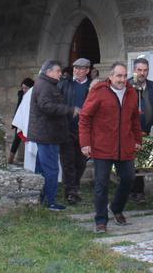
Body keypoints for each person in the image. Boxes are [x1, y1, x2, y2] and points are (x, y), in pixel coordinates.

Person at [79, 62, 142, 233]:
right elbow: (85, 117)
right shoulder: (99, 92)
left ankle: (116, 208)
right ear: (111, 76)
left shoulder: (131, 93)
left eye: (124, 76)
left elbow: (135, 119)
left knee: (129, 178)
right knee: (101, 183)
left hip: (125, 146)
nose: (122, 79)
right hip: (102, 146)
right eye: (118, 76)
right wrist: (85, 142)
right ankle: (101, 220)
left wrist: (137, 139)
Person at [28, 60, 78, 211]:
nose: (60, 74)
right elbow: (46, 106)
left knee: (42, 168)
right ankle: (50, 201)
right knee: (51, 169)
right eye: (57, 71)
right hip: (47, 135)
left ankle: (42, 197)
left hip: (46, 133)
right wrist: (69, 110)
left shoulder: (45, 84)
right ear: (49, 72)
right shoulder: (45, 85)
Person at [57, 57, 92, 204]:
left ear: (87, 70)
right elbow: (57, 104)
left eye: (81, 68)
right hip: (67, 128)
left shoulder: (93, 86)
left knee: (81, 162)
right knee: (68, 161)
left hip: (85, 131)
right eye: (75, 68)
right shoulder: (64, 85)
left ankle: (75, 186)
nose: (77, 71)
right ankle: (70, 191)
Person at [128, 57, 153, 203]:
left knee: (142, 161)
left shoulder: (152, 86)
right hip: (129, 131)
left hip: (145, 130)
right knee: (131, 162)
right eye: (139, 70)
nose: (142, 73)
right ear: (134, 70)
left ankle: (139, 192)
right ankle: (130, 191)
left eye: (145, 70)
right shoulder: (127, 85)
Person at [8, 77, 35, 164]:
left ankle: (28, 160)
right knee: (17, 138)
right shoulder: (21, 95)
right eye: (22, 88)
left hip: (30, 121)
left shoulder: (34, 95)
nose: (24, 90)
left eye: (26, 88)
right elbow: (18, 108)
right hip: (20, 120)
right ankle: (10, 158)